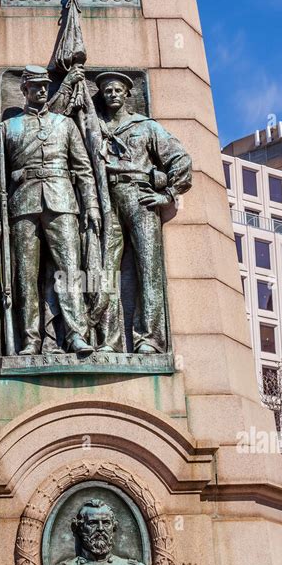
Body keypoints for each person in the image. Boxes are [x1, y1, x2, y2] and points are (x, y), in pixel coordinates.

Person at [0, 65, 101, 355]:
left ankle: (75, 336)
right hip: (23, 205)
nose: (43, 90)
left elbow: (83, 170)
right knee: (25, 276)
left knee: (70, 270)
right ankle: (31, 340)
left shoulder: (65, 125)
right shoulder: (8, 128)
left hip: (62, 201)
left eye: (45, 85)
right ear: (25, 90)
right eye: (36, 86)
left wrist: (92, 206)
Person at [92, 71, 193, 354]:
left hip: (140, 198)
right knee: (104, 271)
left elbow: (181, 160)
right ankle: (108, 341)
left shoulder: (146, 127)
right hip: (106, 199)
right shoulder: (94, 127)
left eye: (116, 90)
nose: (112, 94)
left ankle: (149, 338)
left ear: (127, 94)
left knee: (148, 269)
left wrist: (168, 194)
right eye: (106, 90)